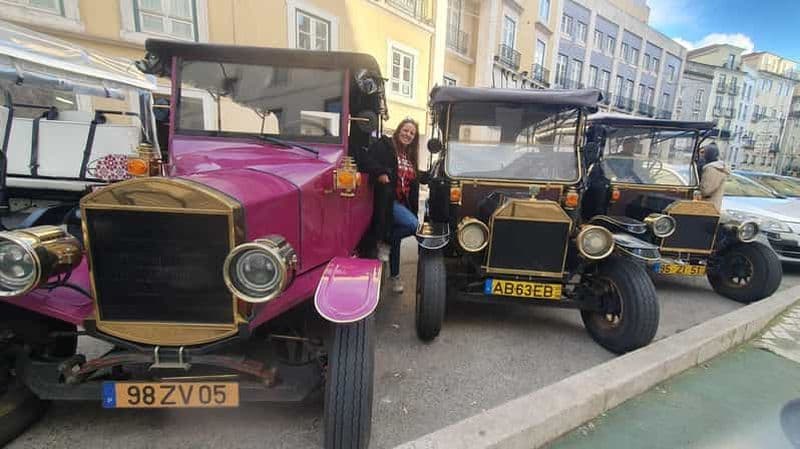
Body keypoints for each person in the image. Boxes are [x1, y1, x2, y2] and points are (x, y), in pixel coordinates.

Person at [363, 118, 420, 294]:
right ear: (398, 130)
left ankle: (394, 277)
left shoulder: (409, 156)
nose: (408, 134)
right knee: (413, 225)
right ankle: (385, 244)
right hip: (387, 202)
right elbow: (366, 159)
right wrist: (380, 172)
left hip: (403, 204)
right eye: (405, 130)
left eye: (412, 133)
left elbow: (412, 178)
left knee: (395, 240)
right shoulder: (385, 145)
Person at [699, 142, 730, 210]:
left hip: (708, 206)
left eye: (704, 153)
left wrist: (699, 188)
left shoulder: (712, 169)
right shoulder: (718, 168)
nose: (702, 156)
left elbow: (706, 191)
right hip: (713, 205)